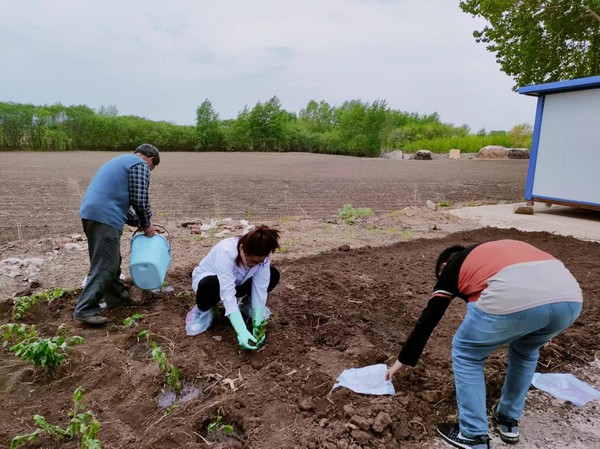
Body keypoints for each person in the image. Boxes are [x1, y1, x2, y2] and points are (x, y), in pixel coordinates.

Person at [385, 239, 583, 449]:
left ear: (444, 266)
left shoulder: (453, 265)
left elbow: (431, 315)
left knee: (467, 352)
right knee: (526, 350)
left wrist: (405, 359)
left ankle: (473, 435)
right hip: (570, 299)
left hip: (515, 297)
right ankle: (508, 419)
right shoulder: (498, 250)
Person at [74, 144, 160, 325]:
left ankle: (118, 299)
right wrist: (146, 224)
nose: (149, 172)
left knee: (111, 260)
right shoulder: (139, 165)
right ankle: (85, 309)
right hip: (104, 217)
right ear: (150, 160)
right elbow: (139, 199)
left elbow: (120, 203)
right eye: (152, 169)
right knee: (106, 264)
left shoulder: (123, 163)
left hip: (93, 214)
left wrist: (138, 222)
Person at [186, 225, 281, 350]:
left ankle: (246, 304)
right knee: (209, 284)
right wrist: (241, 330)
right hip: (213, 286)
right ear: (242, 248)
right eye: (250, 260)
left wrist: (258, 326)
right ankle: (202, 309)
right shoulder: (226, 251)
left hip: (239, 284)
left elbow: (260, 289)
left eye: (258, 262)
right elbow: (227, 293)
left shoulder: (262, 260)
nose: (253, 265)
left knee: (273, 274)